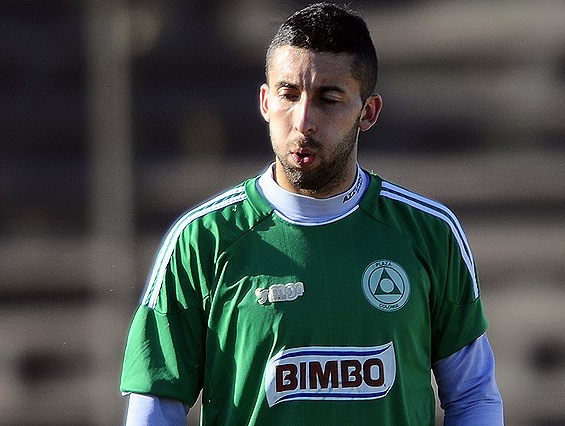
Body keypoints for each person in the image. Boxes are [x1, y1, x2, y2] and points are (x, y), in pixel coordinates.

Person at [120, 3, 504, 425]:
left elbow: (472, 397)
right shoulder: (202, 240)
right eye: (289, 95)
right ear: (265, 102)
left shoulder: (430, 234)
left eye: (329, 99)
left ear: (368, 112)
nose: (304, 121)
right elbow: (155, 405)